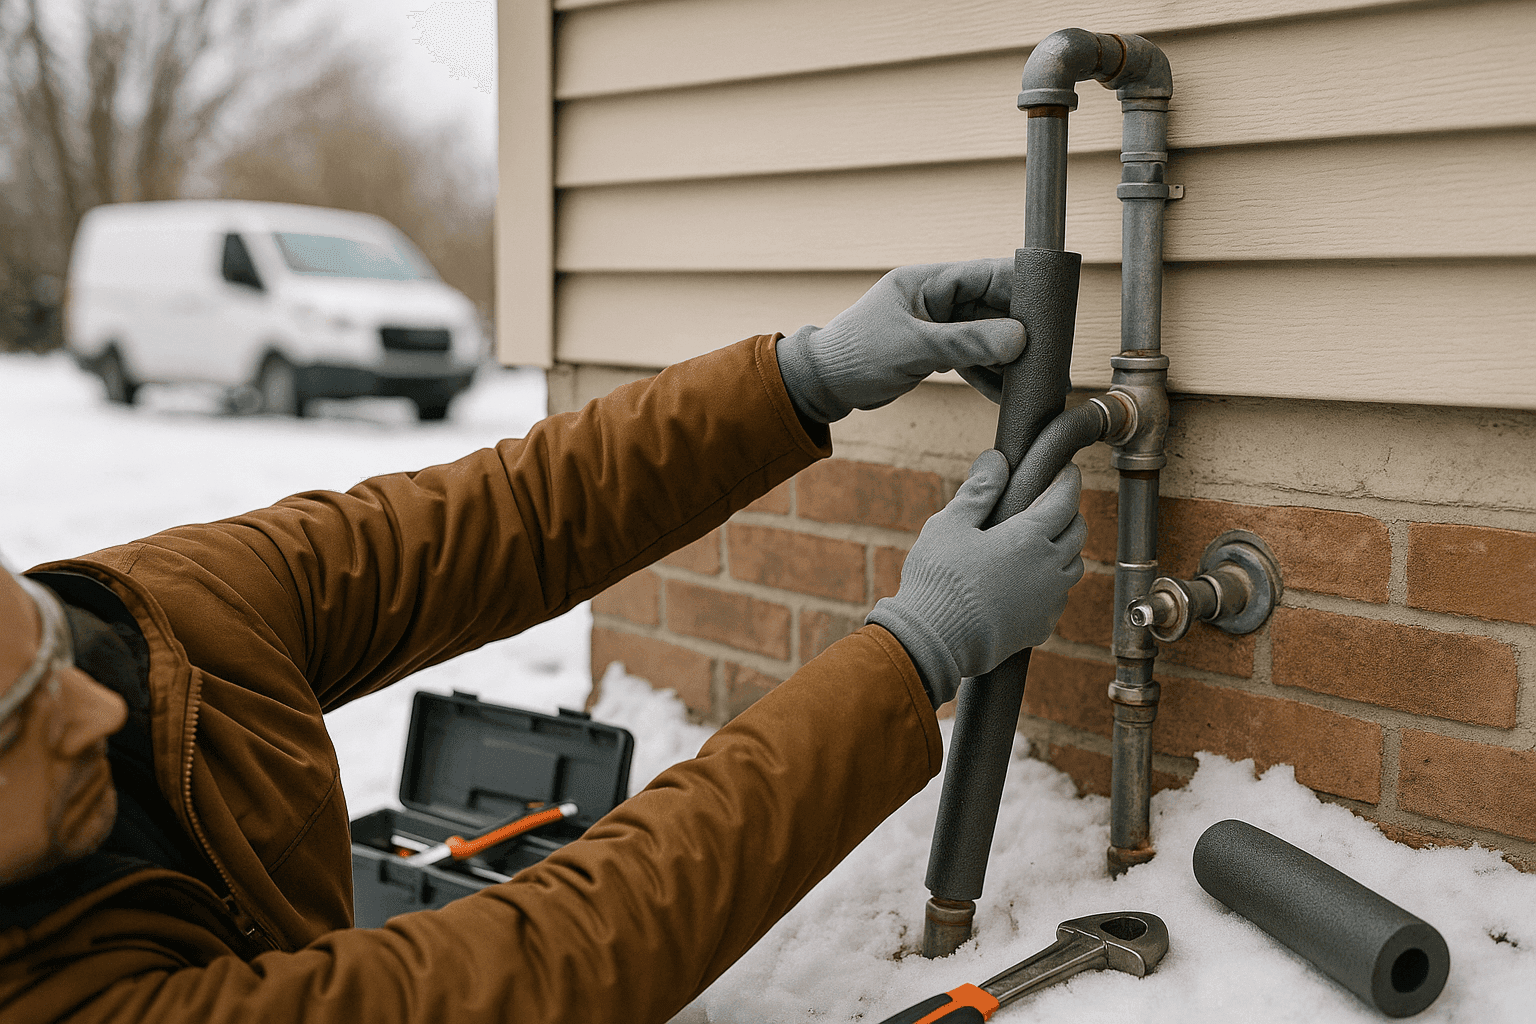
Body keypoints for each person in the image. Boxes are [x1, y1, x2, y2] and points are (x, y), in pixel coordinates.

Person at [0, 258, 1086, 1023]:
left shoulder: (143, 624)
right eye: (25, 721)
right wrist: (915, 647)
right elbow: (547, 970)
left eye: (49, 651)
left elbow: (487, 524)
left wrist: (800, 376)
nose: (95, 703)